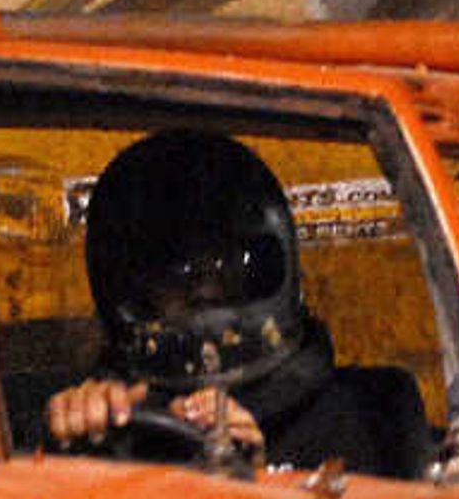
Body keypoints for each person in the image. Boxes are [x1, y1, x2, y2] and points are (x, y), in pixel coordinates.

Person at [43, 131, 430, 479]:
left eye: (228, 264)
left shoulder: (376, 415)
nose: (206, 290)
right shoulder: (94, 424)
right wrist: (73, 453)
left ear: (271, 264)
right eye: (176, 272)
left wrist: (260, 484)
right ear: (131, 288)